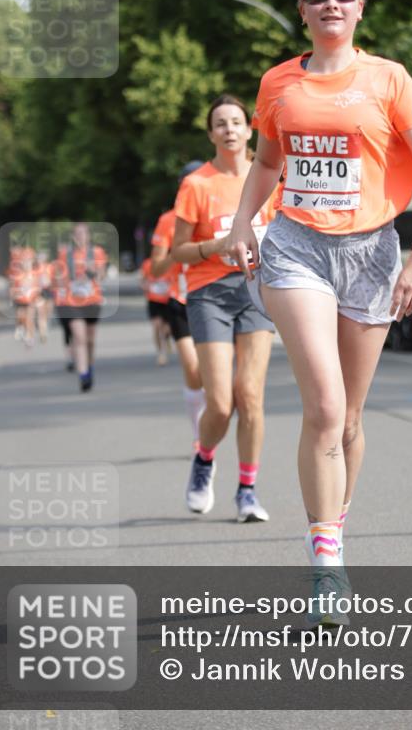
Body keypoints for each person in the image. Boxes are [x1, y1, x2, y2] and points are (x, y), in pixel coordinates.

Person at [226, 0, 412, 623]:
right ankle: (326, 566)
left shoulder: (389, 79)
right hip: (295, 248)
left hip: (372, 253)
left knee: (350, 418)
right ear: (301, 8)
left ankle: (333, 531)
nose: (331, 3)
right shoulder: (278, 83)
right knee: (324, 408)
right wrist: (242, 223)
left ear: (360, 7)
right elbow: (267, 163)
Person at [171, 96, 277, 523]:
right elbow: (178, 251)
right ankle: (204, 458)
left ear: (250, 130)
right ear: (211, 134)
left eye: (236, 122)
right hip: (209, 292)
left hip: (256, 289)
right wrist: (216, 246)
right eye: (220, 123)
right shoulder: (197, 184)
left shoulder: (269, 177)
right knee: (219, 404)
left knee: (250, 394)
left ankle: (247, 492)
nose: (229, 129)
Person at [149, 161, 205, 441]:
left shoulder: (213, 214)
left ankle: (211, 421)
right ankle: (199, 435)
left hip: (213, 297)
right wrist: (179, 251)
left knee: (214, 372)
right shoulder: (168, 221)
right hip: (180, 300)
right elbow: (156, 269)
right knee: (193, 369)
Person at [53, 223, 107, 392]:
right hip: (71, 302)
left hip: (92, 300)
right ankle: (83, 374)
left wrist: (93, 271)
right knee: (79, 337)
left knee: (90, 340)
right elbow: (58, 277)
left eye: (83, 233)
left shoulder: (96, 252)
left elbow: (101, 276)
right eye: (77, 234)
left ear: (88, 236)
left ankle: (89, 367)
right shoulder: (64, 254)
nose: (80, 237)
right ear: (73, 237)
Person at [139, 256, 174, 365]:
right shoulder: (148, 263)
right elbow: (142, 279)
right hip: (153, 300)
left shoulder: (171, 262)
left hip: (168, 300)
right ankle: (161, 353)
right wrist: (145, 286)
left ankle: (167, 338)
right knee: (157, 327)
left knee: (167, 329)